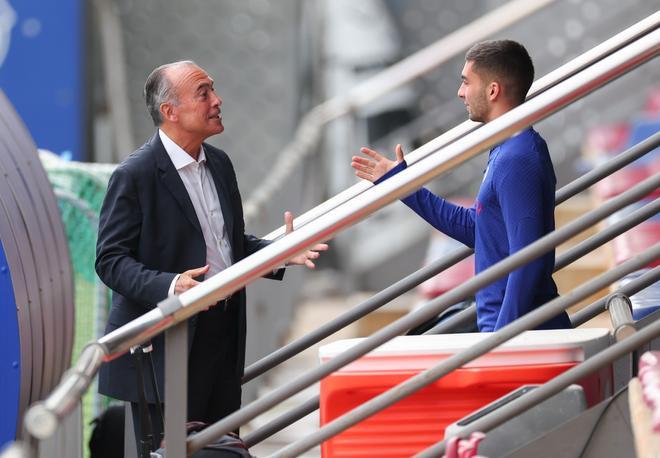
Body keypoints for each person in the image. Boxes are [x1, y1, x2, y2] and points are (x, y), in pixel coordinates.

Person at [95, 60, 328, 449]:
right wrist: (170, 285)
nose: (217, 100)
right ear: (170, 112)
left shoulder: (218, 163)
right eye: (203, 93)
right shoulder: (134, 175)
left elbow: (227, 245)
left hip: (222, 332)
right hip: (166, 343)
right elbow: (109, 260)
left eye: (213, 90)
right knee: (171, 452)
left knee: (222, 449)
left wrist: (280, 252)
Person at [351, 40, 571, 332]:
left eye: (467, 82)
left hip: (516, 337)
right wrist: (400, 184)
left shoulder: (518, 157)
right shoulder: (506, 149)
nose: (460, 92)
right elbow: (479, 230)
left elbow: (527, 260)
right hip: (505, 330)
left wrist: (500, 342)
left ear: (493, 90)